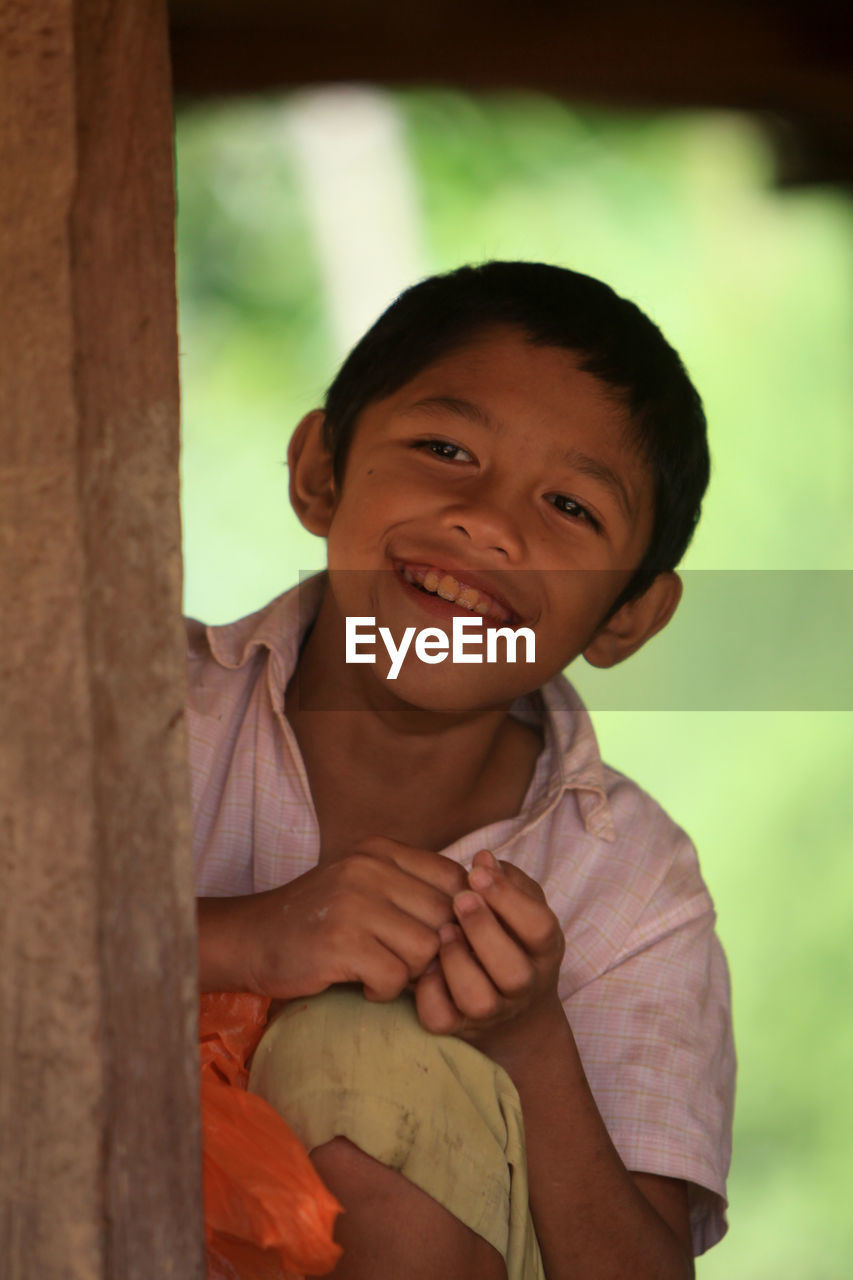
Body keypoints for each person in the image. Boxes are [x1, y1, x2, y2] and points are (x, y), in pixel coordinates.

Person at [190, 261, 735, 1280]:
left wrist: (529, 1042)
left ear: (626, 614)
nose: (487, 520)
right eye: (445, 449)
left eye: (570, 508)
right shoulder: (128, 707)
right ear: (320, 469)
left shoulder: (632, 886)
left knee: (365, 1045)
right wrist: (242, 937)